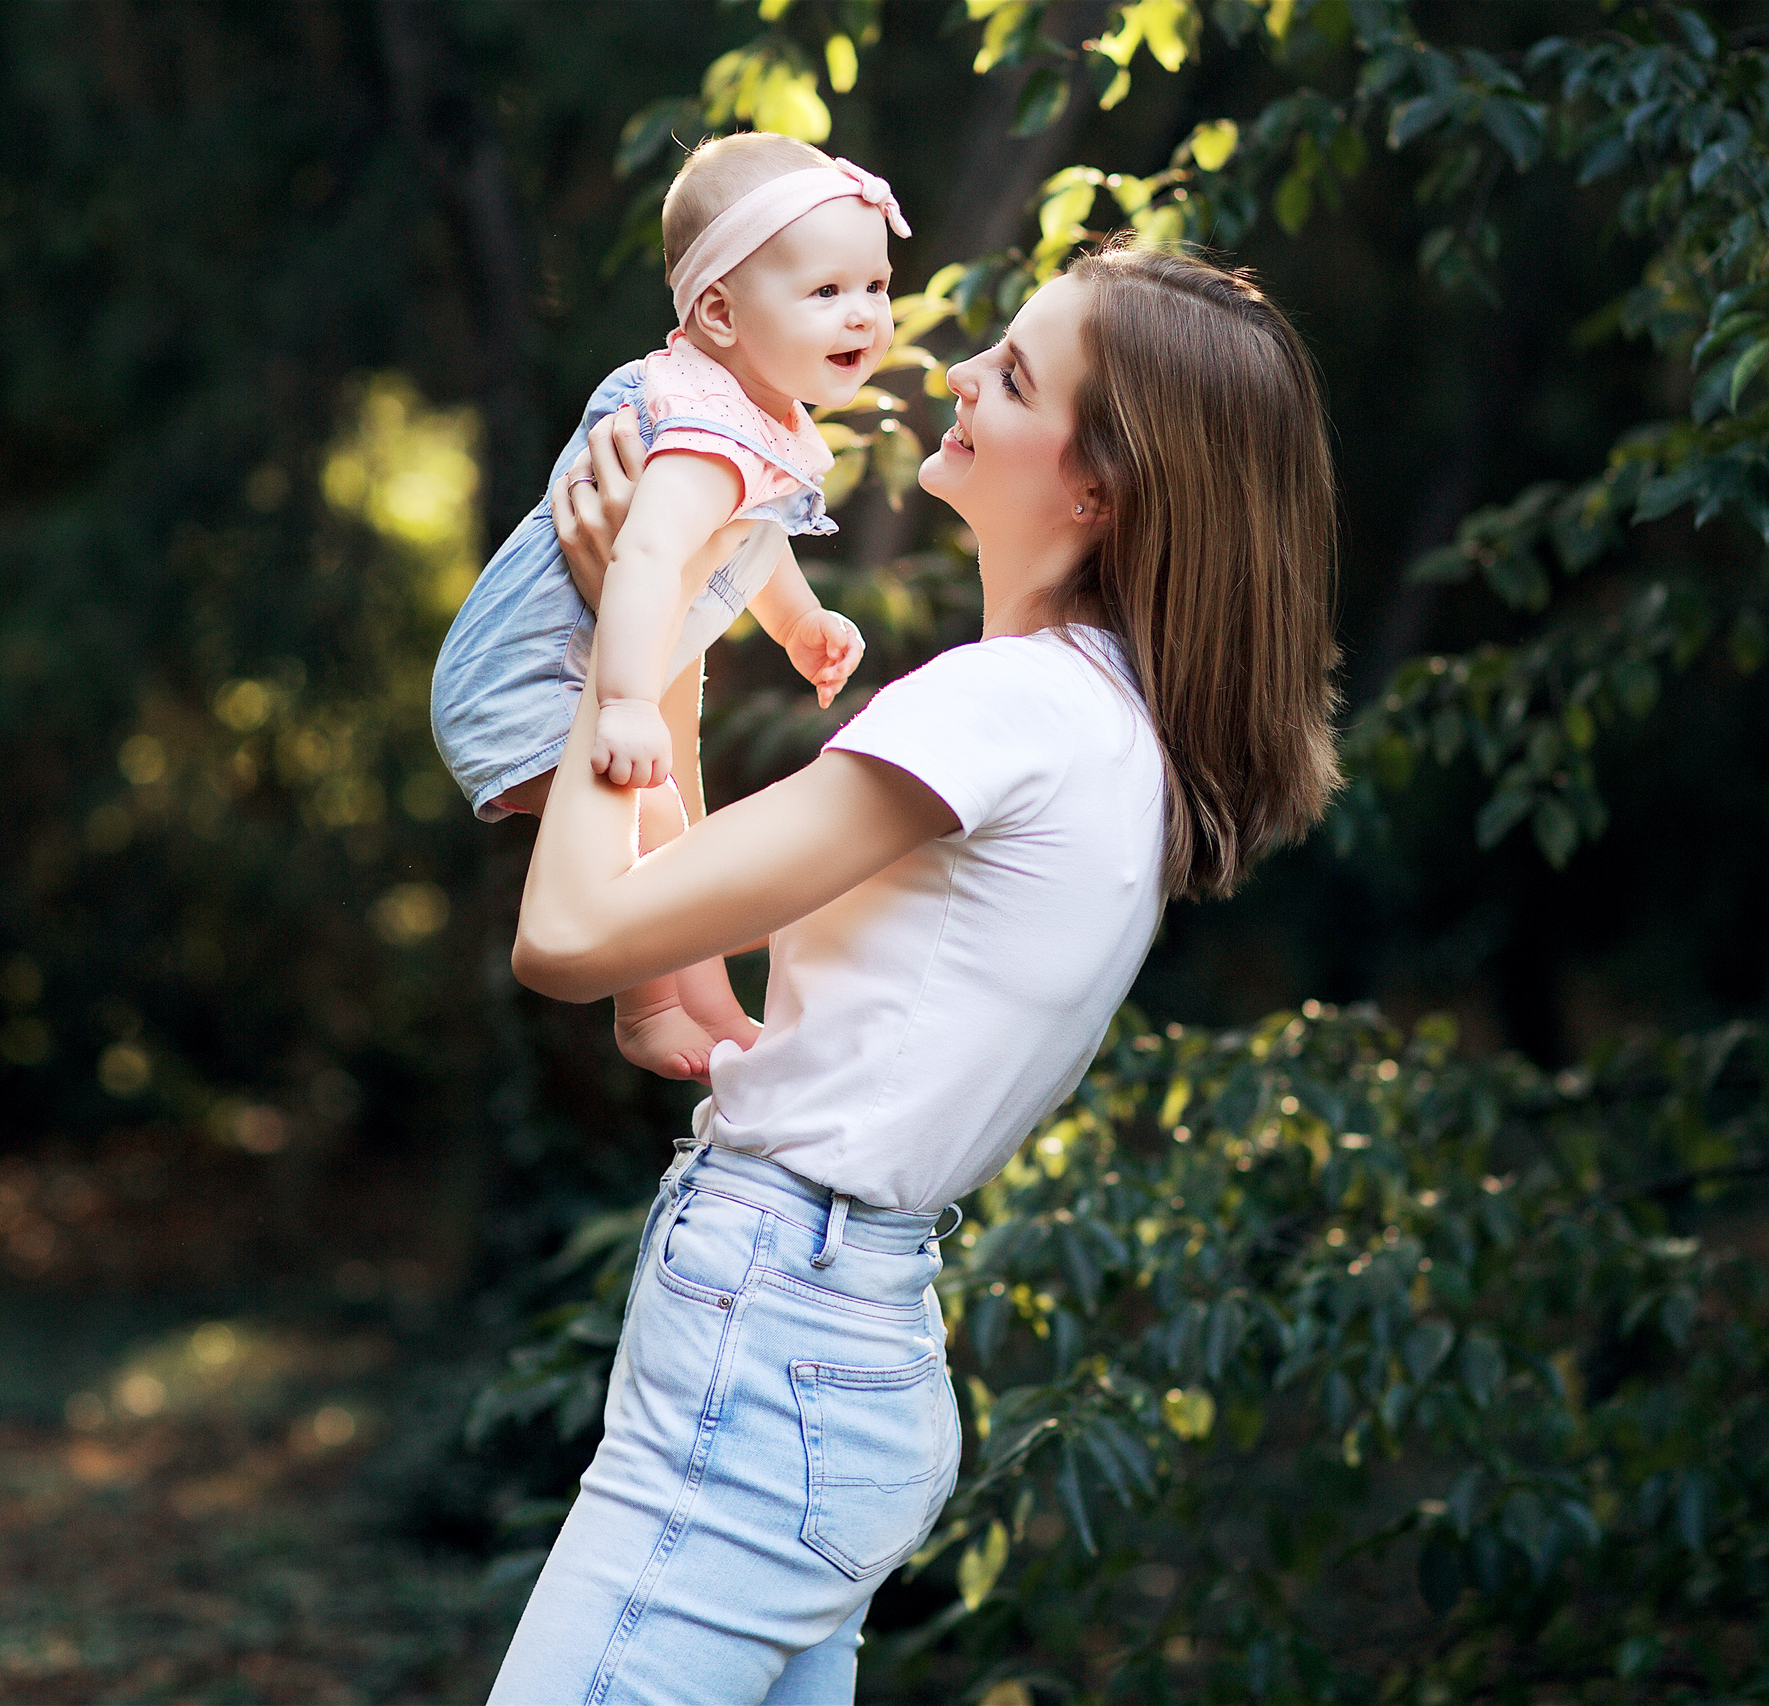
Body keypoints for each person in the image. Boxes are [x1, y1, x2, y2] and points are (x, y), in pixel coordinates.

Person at [487, 240, 1343, 1706]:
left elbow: (572, 937)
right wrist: (662, 620)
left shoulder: (1000, 708)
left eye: (1012, 374)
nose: (952, 372)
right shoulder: (1101, 727)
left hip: (776, 1346)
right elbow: (674, 918)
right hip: (846, 1343)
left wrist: (620, 633)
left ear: (1100, 488)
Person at [432, 133, 898, 1083]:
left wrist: (799, 624)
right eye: (826, 293)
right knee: (663, 837)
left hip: (598, 666)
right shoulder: (699, 429)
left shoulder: (752, 410)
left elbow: (747, 542)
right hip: (532, 679)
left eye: (876, 288)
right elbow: (644, 553)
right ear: (720, 313)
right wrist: (630, 704)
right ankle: (647, 1009)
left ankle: (715, 1006)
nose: (863, 315)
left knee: (675, 828)